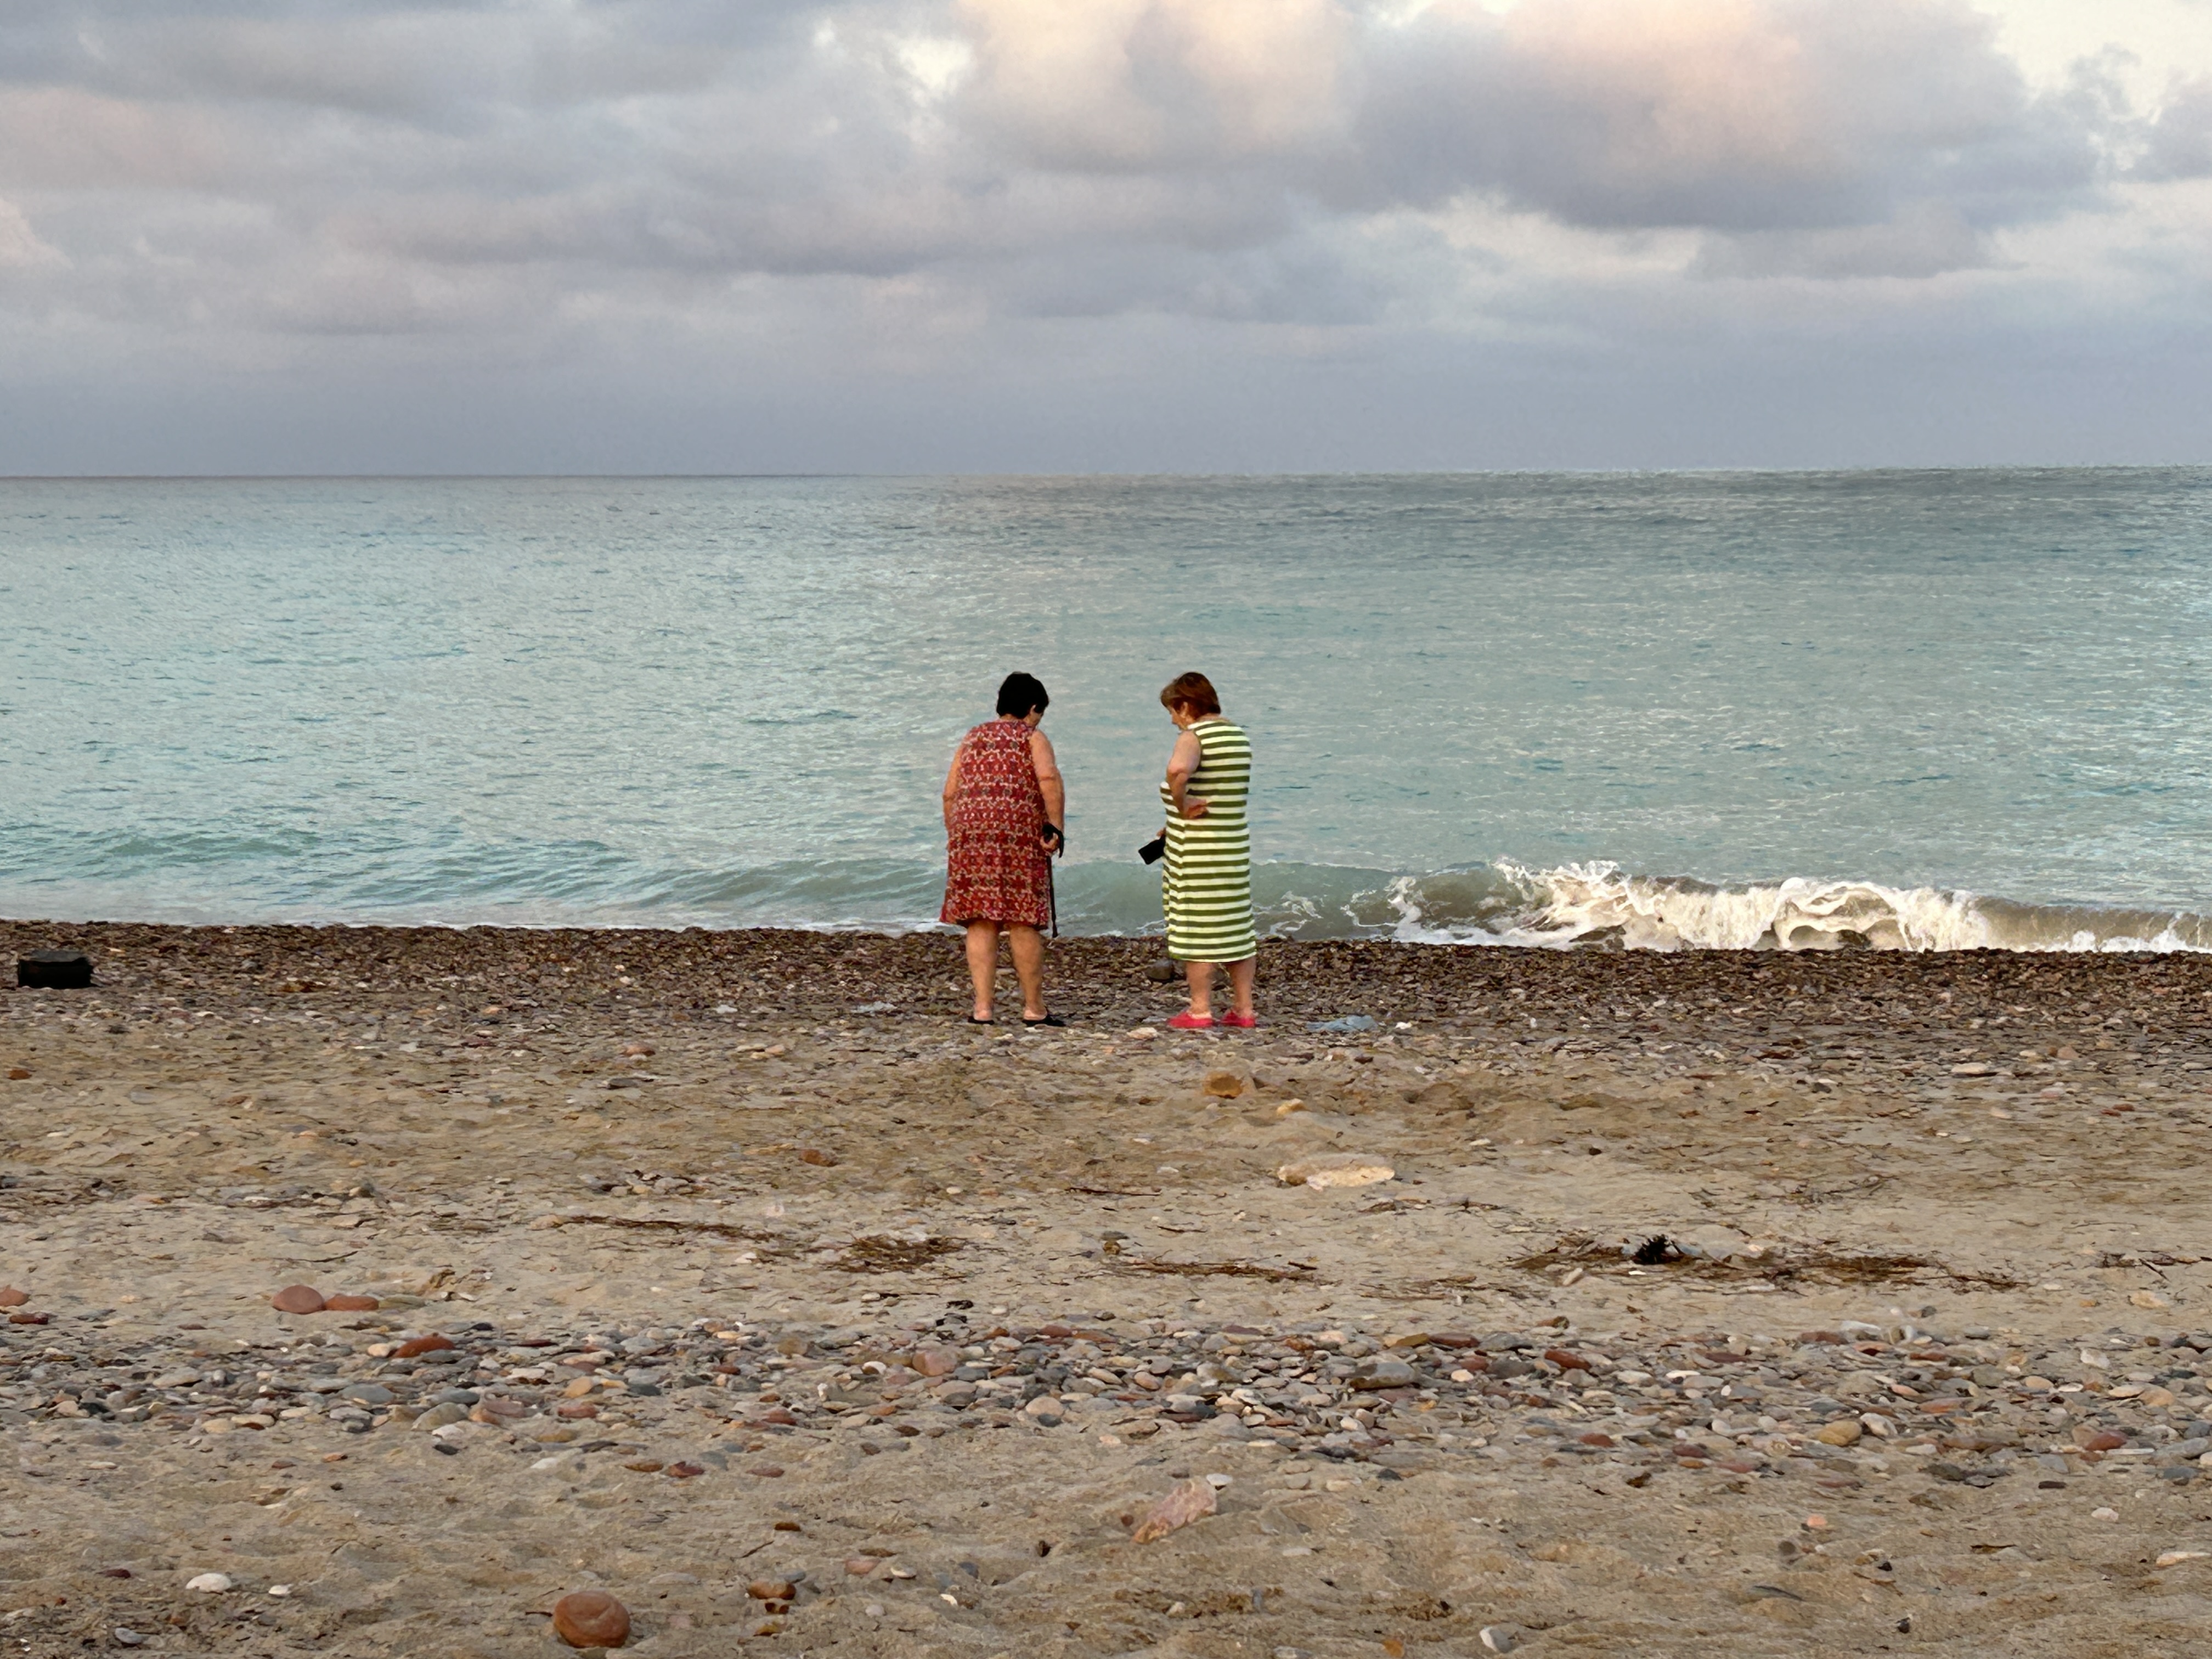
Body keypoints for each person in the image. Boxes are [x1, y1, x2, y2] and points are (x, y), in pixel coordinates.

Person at [940, 671, 1065, 1025]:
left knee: (980, 920)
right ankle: (1034, 1009)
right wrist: (1055, 827)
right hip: (1016, 831)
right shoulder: (1032, 737)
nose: (1039, 720)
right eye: (1040, 712)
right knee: (1022, 919)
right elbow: (1048, 778)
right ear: (1033, 707)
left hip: (970, 831)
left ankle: (983, 1009)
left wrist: (956, 833)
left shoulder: (972, 737)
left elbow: (950, 792)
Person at [1155, 670, 1256, 1029]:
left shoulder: (1194, 735)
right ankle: (1244, 1010)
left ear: (1186, 706)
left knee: (1197, 926)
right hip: (1232, 845)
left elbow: (1178, 770)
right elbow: (1220, 792)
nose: (1173, 720)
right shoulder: (1237, 736)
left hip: (1197, 853)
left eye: (1173, 711)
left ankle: (1200, 1009)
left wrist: (1181, 805)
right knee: (1235, 925)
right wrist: (1173, 819)